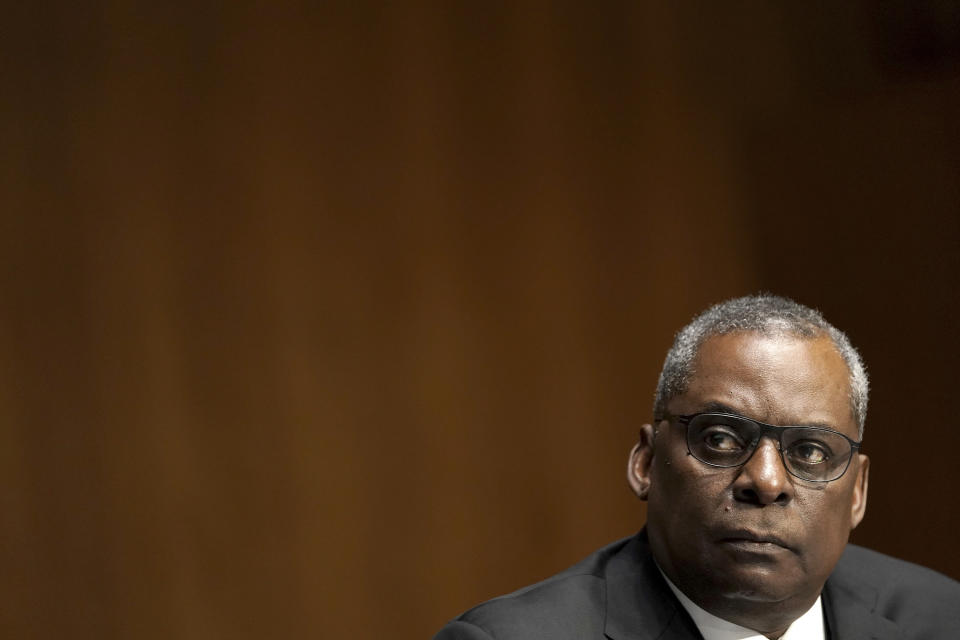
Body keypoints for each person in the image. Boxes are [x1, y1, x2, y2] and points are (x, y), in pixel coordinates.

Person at [433, 295, 960, 640]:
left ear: (859, 491)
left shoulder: (941, 618)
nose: (767, 481)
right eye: (721, 439)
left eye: (811, 452)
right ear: (645, 463)